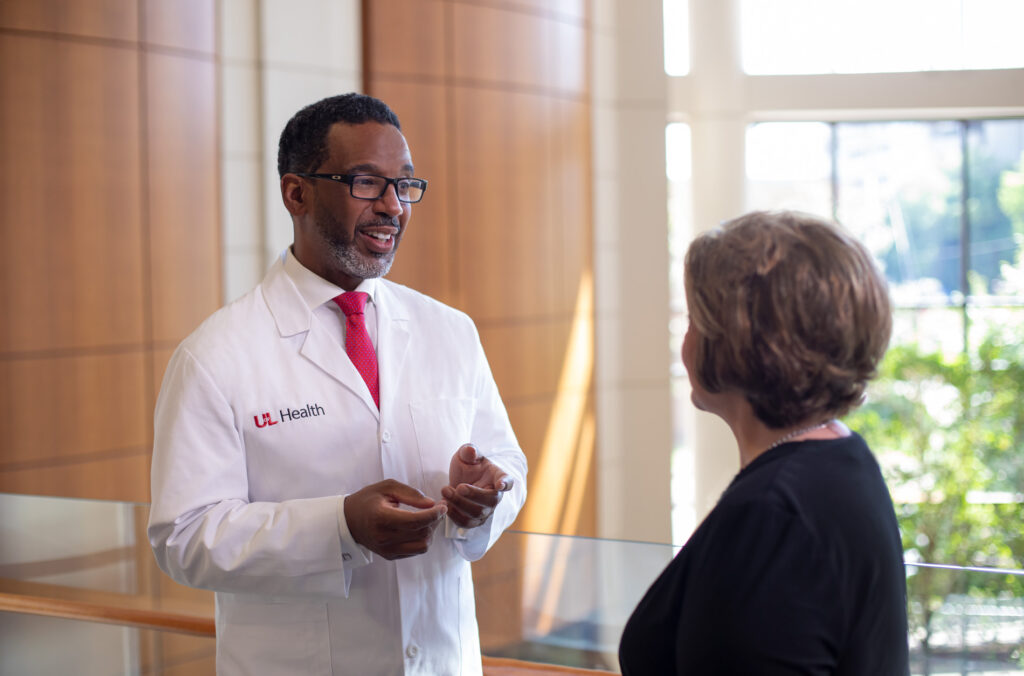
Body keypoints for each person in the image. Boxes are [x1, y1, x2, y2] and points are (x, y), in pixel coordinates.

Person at [148, 93, 527, 676]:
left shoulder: (449, 331)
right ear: (296, 194)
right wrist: (340, 529)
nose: (393, 207)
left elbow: (508, 465)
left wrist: (486, 499)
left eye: (404, 185)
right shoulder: (215, 356)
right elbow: (184, 537)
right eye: (366, 183)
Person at [619, 211, 909, 674]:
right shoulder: (843, 457)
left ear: (736, 342)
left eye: (693, 321)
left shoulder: (771, 515)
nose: (684, 343)